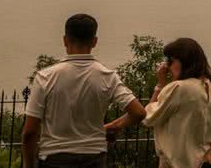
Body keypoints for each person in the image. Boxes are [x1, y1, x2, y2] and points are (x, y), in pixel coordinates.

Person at [22, 13, 146, 168]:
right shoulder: (107, 76)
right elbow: (139, 112)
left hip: (54, 159)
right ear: (94, 42)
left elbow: (29, 133)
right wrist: (115, 125)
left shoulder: (45, 77)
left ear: (65, 40)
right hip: (94, 158)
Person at [139, 38, 211, 168]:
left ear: (183, 61)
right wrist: (210, 155)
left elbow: (147, 117)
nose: (169, 66)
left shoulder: (179, 88)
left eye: (171, 61)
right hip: (206, 165)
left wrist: (159, 85)